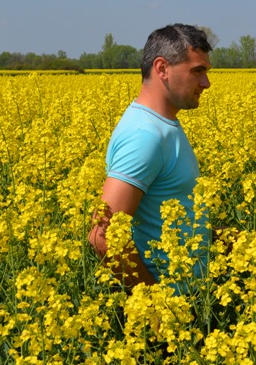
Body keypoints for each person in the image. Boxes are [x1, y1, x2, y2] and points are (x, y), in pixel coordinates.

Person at [88, 24, 212, 289]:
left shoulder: (162, 125)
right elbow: (103, 235)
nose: (206, 83)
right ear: (162, 69)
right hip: (166, 310)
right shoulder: (145, 135)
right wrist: (155, 306)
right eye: (197, 71)